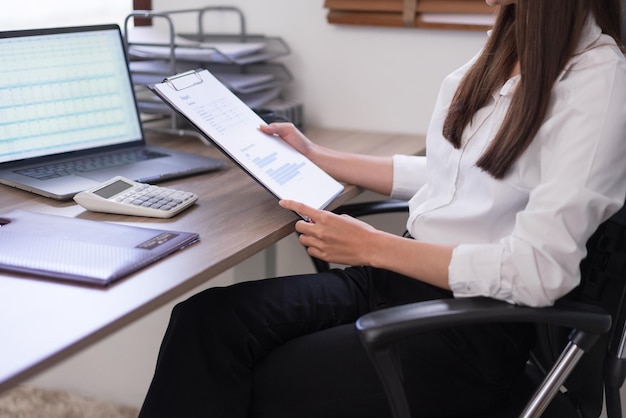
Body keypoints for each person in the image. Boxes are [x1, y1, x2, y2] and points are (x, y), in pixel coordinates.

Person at [138, 0, 626, 416]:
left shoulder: (597, 83)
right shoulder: (514, 44)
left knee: (263, 377)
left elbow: (540, 271)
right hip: (398, 282)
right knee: (206, 324)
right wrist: (318, 157)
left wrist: (372, 246)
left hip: (470, 327)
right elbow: (457, 175)